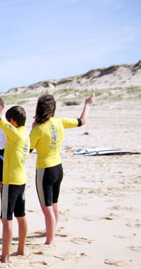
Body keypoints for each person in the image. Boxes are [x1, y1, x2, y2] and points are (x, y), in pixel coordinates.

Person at [29, 92, 95, 245]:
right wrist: (87, 104)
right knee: (54, 204)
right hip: (58, 168)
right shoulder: (60, 122)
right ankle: (51, 231)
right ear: (53, 108)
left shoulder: (39, 129)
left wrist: (31, 130)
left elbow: (28, 149)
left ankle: (49, 240)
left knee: (47, 208)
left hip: (44, 170)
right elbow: (82, 121)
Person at [0, 83, 29, 265]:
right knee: (21, 216)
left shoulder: (14, 134)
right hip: (21, 181)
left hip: (11, 182)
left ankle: (4, 258)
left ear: (12, 121)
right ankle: (20, 249)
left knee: (6, 220)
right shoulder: (24, 132)